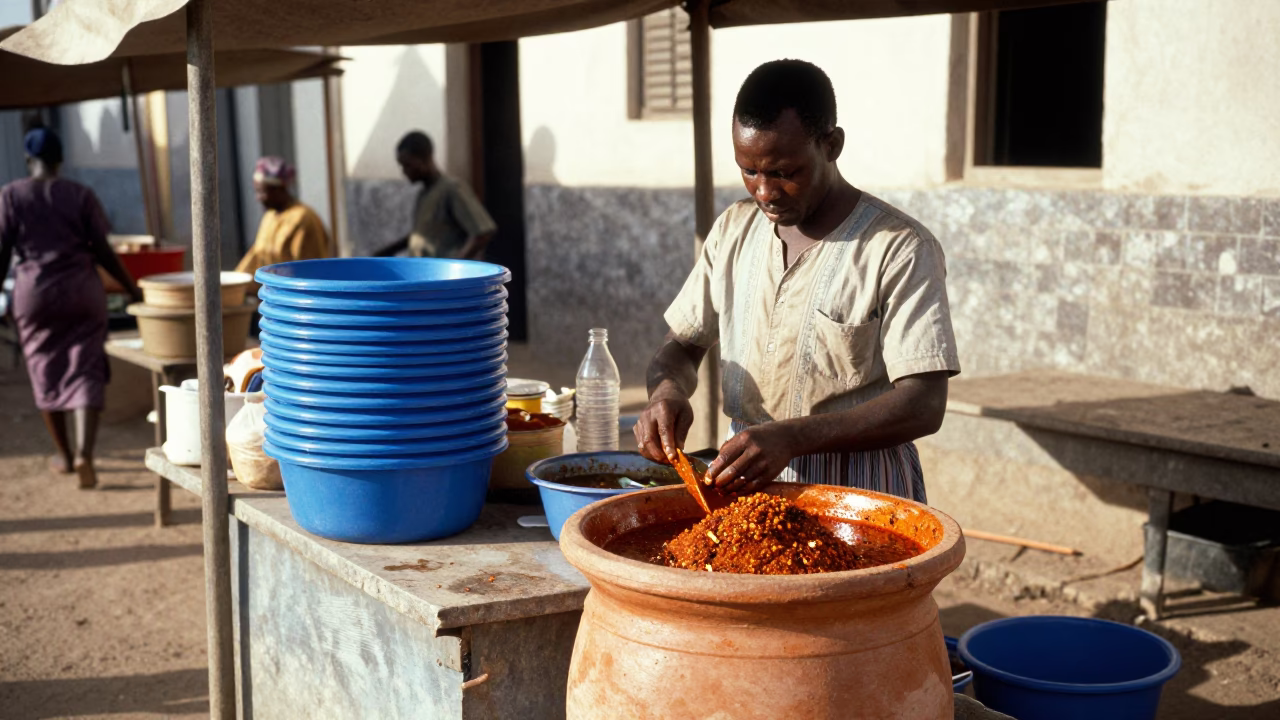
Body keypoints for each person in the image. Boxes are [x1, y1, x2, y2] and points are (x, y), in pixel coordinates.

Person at [634, 60, 961, 503]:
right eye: (749, 170)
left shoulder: (899, 247)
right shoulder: (734, 230)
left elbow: (923, 403)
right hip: (749, 484)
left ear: (831, 145)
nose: (764, 192)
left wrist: (794, 438)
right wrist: (666, 392)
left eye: (784, 173)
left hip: (863, 492)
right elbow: (680, 348)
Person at [0, 127, 141, 489]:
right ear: (60, 159)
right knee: (86, 367)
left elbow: (2, 255)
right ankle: (85, 454)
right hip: (82, 291)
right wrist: (131, 288)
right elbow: (103, 251)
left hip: (35, 295)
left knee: (44, 369)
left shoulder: (11, 196)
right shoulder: (80, 195)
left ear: (29, 160)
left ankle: (63, 455)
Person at [374, 131, 496, 260]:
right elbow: (423, 235)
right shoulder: (423, 194)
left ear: (426, 158)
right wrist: (387, 251)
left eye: (408, 165)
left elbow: (483, 232)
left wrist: (456, 266)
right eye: (402, 166)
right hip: (424, 274)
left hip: (443, 275)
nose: (404, 171)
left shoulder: (452, 188)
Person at [235, 156, 331, 281]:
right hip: (271, 291)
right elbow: (257, 256)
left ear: (279, 190)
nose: (258, 198)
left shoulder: (303, 219)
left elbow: (311, 270)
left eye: (262, 192)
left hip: (291, 295)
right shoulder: (269, 217)